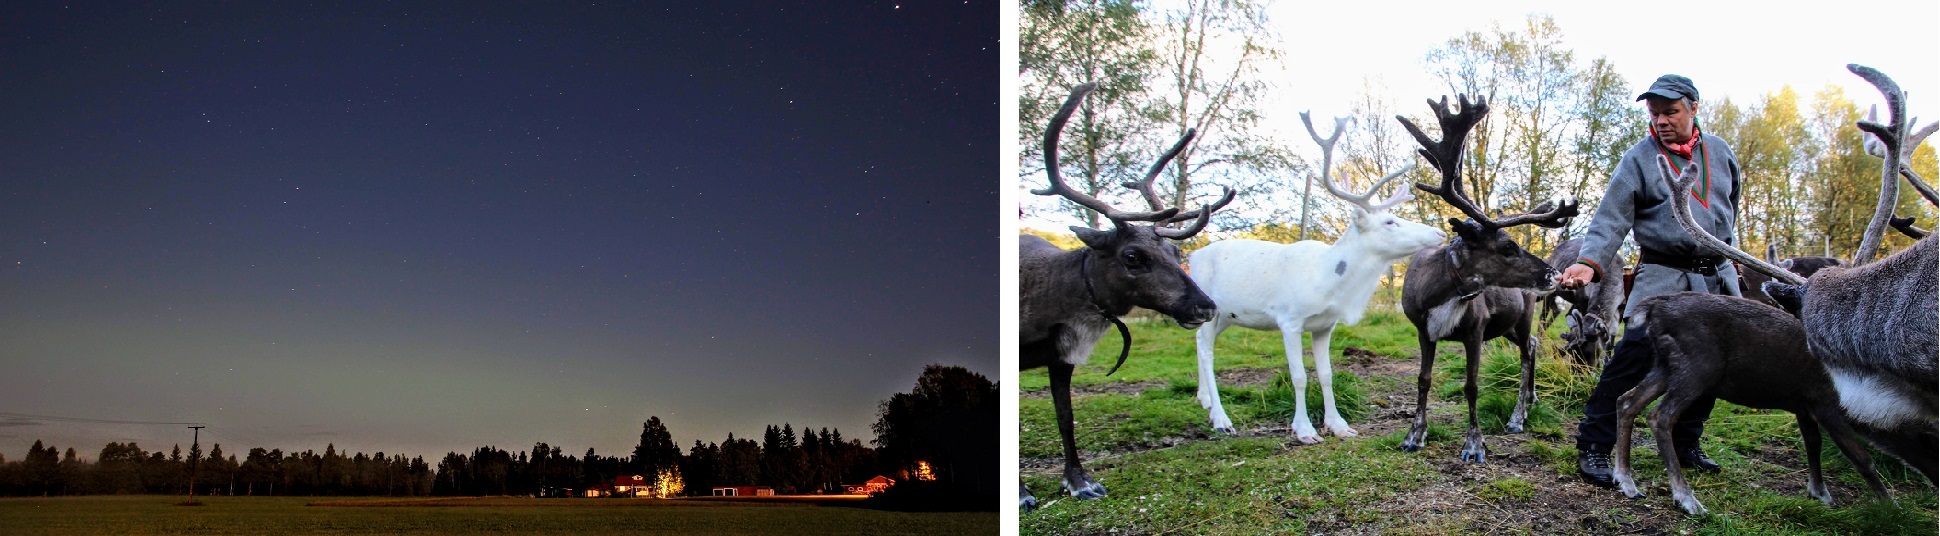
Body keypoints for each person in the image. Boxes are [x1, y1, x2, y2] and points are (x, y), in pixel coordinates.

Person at [1557, 74, 1743, 487]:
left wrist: (1734, 260)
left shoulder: (1721, 152)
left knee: (1710, 365)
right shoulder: (1638, 160)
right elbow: (1609, 220)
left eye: (1670, 112)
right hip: (1663, 275)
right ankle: (1594, 444)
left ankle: (1684, 443)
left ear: (1693, 108)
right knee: (1634, 357)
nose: (1660, 120)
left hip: (1717, 276)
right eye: (1654, 113)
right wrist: (1590, 262)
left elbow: (1730, 210)